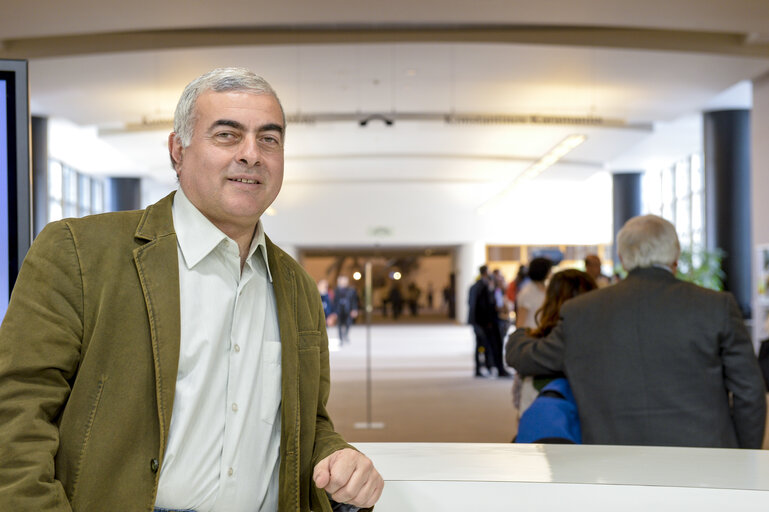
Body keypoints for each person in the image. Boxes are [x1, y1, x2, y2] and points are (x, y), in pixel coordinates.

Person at [0, 68, 383, 511]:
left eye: (269, 139)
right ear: (177, 151)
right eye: (227, 135)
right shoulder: (80, 253)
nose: (251, 155)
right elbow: (14, 414)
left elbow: (306, 423)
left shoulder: (294, 285)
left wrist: (338, 456)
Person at [506, 215, 767, 448]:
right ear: (675, 255)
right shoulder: (716, 306)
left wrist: (519, 333)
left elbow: (530, 358)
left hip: (614, 463)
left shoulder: (580, 312)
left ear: (621, 258)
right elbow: (750, 392)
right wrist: (742, 453)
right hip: (705, 459)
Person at [468, 265, 510, 378]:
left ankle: (484, 367)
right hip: (484, 322)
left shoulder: (477, 286)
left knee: (482, 345)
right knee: (487, 345)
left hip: (481, 321)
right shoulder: (483, 287)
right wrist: (486, 322)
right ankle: (490, 367)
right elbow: (482, 305)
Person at [333, 275, 359, 343]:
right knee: (339, 324)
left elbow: (354, 301)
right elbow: (334, 301)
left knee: (348, 323)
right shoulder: (336, 290)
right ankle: (340, 338)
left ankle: (346, 335)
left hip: (348, 309)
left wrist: (354, 309)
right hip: (339, 309)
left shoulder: (351, 290)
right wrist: (334, 312)